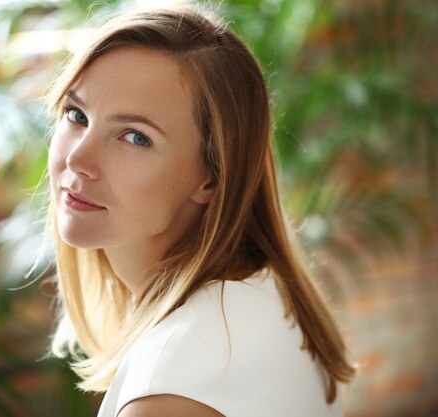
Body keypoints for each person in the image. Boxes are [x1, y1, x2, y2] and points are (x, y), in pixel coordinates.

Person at [44, 5, 356, 417]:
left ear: (210, 177)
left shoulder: (168, 390)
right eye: (76, 114)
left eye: (135, 137)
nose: (78, 157)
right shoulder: (258, 291)